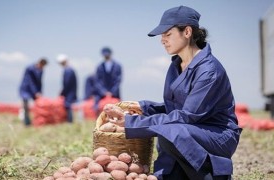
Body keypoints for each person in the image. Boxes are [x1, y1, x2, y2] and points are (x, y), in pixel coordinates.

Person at [107, 6, 241, 180]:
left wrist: (132, 122)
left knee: (170, 130)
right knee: (170, 131)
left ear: (187, 32)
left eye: (167, 34)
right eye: (162, 36)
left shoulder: (209, 71)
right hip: (189, 130)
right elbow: (174, 108)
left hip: (217, 135)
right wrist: (145, 107)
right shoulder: (176, 65)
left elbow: (187, 116)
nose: (162, 40)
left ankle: (213, 175)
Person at [19, 58, 48, 126]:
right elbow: (30, 81)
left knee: (39, 105)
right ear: (39, 63)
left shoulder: (41, 70)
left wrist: (40, 91)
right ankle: (27, 122)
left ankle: (38, 121)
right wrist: (35, 92)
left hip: (35, 90)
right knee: (25, 106)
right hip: (26, 89)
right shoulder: (30, 68)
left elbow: (40, 82)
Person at [94, 47, 122, 111]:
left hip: (115, 93)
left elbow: (118, 81)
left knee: (119, 108)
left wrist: (112, 92)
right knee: (97, 107)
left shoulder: (117, 66)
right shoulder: (99, 67)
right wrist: (104, 92)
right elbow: (97, 81)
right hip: (102, 94)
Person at [57, 54, 77, 123]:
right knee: (69, 106)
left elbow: (67, 83)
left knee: (68, 106)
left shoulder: (68, 70)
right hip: (71, 91)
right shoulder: (70, 69)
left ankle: (70, 121)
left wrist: (63, 91)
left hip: (69, 92)